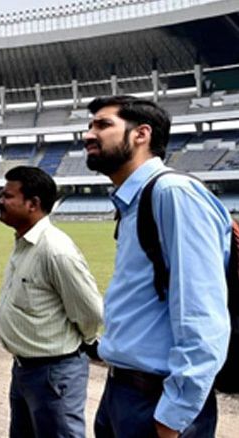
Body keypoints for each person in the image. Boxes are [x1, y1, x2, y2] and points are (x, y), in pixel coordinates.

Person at [85, 95, 231, 438]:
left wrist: (174, 414)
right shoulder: (133, 200)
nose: (89, 134)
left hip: (156, 399)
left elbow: (201, 310)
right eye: (90, 125)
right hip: (122, 391)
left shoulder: (173, 193)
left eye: (103, 125)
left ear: (141, 134)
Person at [0, 165, 103, 438]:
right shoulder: (24, 243)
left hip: (54, 374)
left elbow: (90, 312)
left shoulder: (55, 251)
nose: (0, 201)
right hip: (24, 370)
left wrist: (83, 344)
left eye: (8, 196)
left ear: (33, 204)